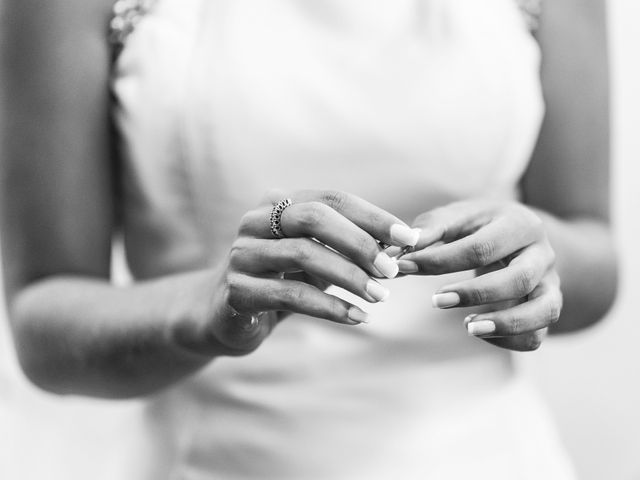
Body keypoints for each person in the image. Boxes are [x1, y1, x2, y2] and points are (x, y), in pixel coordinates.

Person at [0, 0, 617, 478]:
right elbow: (42, 316)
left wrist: (538, 257)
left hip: (491, 459)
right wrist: (203, 309)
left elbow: (594, 250)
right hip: (205, 461)